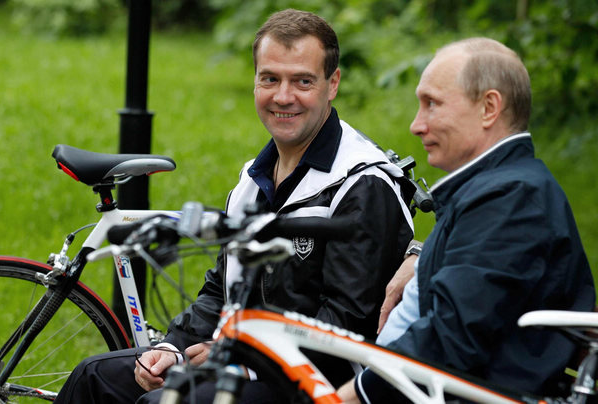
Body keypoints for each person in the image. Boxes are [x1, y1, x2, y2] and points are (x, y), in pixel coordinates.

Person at [54, 9, 415, 404]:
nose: (283, 96)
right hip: (245, 362)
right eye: (270, 78)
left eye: (302, 81)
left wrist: (235, 360)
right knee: (95, 377)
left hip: (321, 384)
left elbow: (347, 325)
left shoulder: (362, 184)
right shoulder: (252, 179)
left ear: (333, 84)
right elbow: (220, 289)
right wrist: (172, 348)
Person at [338, 37, 596, 403]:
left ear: (489, 107)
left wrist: (352, 395)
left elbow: (450, 339)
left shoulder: (510, 199)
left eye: (432, 104)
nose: (415, 125)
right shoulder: (499, 189)